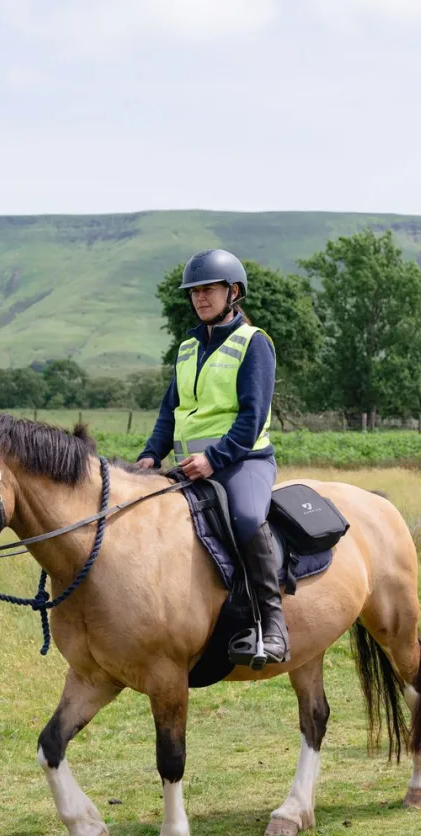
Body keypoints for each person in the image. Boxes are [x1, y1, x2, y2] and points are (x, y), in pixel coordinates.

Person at [136, 248, 290, 664]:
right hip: (189, 467)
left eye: (209, 290)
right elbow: (171, 410)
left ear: (233, 292)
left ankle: (272, 625)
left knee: (245, 518)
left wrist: (215, 459)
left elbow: (252, 416)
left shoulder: (254, 344)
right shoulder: (187, 348)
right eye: (194, 292)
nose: (200, 298)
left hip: (242, 463)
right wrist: (151, 455)